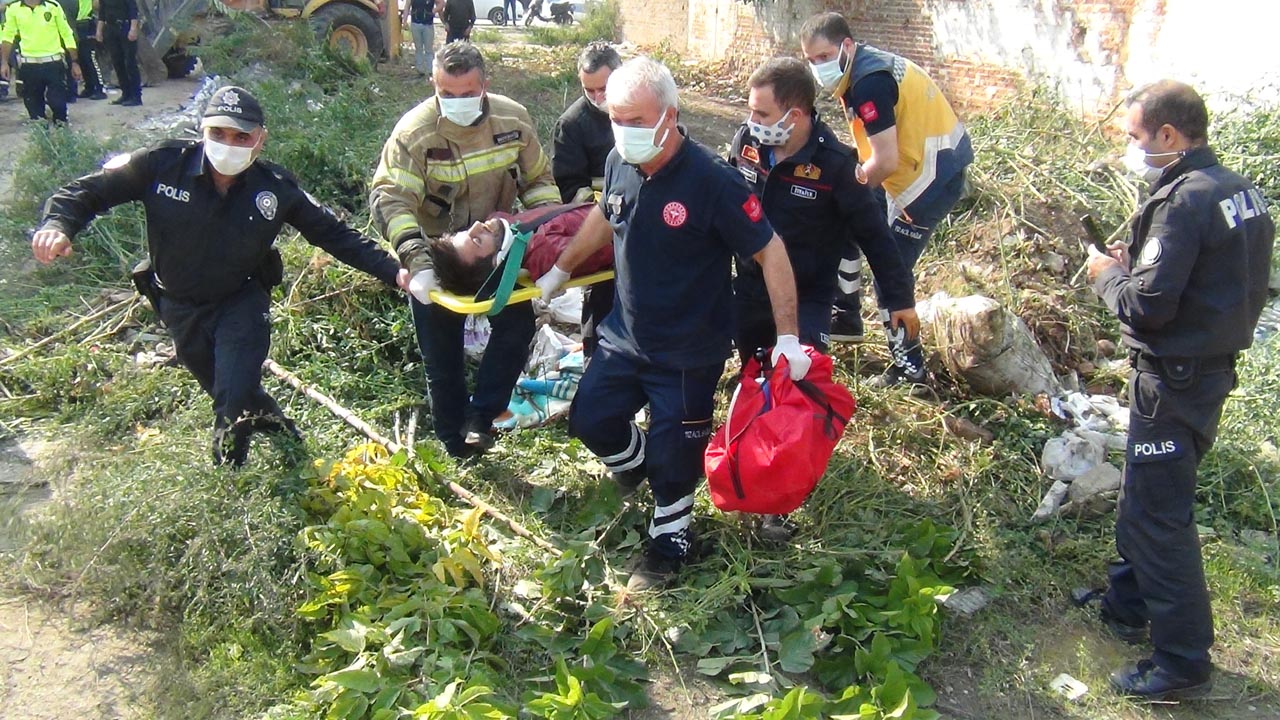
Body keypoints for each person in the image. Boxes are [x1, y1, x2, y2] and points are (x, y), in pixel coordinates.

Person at [534, 57, 808, 591]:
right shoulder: (619, 160)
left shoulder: (714, 183)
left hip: (687, 350)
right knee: (590, 420)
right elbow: (605, 213)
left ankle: (671, 539)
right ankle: (642, 468)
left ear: (670, 115)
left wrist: (790, 338)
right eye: (616, 119)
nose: (624, 132)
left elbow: (771, 251)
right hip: (624, 336)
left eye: (636, 120)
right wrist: (563, 267)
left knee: (675, 454)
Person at [32, 86, 407, 467]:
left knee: (232, 397)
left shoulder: (274, 189)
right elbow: (89, 192)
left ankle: (230, 476)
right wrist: (59, 225)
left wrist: (395, 273)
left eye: (241, 136)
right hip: (178, 305)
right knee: (227, 389)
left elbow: (335, 235)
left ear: (260, 140)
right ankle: (285, 435)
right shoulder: (160, 164)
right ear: (203, 130)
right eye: (219, 134)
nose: (229, 144)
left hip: (241, 301)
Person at [1084, 80, 1274, 700]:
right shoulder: (1238, 190)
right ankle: (1126, 602)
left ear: (1168, 134)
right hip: (1204, 371)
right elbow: (1211, 278)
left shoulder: (1185, 200)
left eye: (1137, 136)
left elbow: (1147, 307)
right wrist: (1137, 259)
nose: (1133, 147)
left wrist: (1110, 276)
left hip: (1176, 379)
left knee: (1159, 517)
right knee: (1145, 494)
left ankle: (1182, 663)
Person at [729, 57, 919, 539]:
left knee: (793, 391)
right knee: (753, 378)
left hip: (808, 298)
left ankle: (778, 501)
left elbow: (877, 238)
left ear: (797, 114)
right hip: (749, 289)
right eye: (751, 112)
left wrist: (899, 300)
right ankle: (744, 464)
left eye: (764, 114)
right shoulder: (746, 145)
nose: (754, 123)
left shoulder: (837, 168)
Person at [370, 41, 561, 459]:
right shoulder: (415, 133)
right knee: (442, 357)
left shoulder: (513, 119)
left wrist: (547, 238)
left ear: (485, 86)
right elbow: (391, 198)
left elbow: (538, 182)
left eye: (467, 93)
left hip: (496, 253)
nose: (457, 102)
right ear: (433, 85)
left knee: (516, 328)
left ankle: (483, 418)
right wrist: (417, 262)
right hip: (438, 256)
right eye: (447, 94)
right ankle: (454, 445)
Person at [800, 12, 973, 388]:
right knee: (845, 222)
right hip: (914, 163)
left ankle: (910, 369)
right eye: (812, 61)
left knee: (889, 265)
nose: (819, 67)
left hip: (929, 177)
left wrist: (852, 193)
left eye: (824, 56)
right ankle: (846, 318)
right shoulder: (858, 68)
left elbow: (885, 160)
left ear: (847, 46)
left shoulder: (868, 82)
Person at [552, 41, 620, 356]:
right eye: (588, 90)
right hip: (602, 234)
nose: (597, 97)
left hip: (648, 230)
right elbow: (570, 187)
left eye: (604, 88)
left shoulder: (645, 109)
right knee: (602, 306)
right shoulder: (573, 125)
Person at [426, 203, 611, 296]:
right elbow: (619, 236)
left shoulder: (517, 230)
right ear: (496, 263)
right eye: (476, 240)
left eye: (467, 231)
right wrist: (562, 267)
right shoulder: (546, 253)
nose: (477, 225)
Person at [0, 0, 81, 123]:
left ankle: (62, 133)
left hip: (53, 62)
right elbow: (7, 37)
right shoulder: (13, 8)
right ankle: (42, 136)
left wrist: (75, 62)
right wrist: (4, 62)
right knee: (34, 108)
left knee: (58, 103)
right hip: (29, 64)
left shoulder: (53, 6)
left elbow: (67, 34)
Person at [97, 0, 140, 106]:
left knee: (130, 63)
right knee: (117, 62)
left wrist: (133, 29)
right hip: (111, 28)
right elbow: (102, 13)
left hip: (125, 26)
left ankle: (136, 96)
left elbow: (133, 10)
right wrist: (99, 31)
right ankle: (126, 94)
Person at [72, 0, 103, 99]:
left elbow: (96, 4)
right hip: (75, 22)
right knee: (81, 58)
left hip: (86, 22)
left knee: (90, 57)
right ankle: (89, 87)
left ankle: (99, 88)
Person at [402, 0, 435, 77]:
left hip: (428, 24)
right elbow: (407, 6)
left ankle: (430, 70)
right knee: (418, 48)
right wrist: (404, 20)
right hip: (415, 24)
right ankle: (420, 70)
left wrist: (432, 11)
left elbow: (441, 3)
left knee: (428, 49)